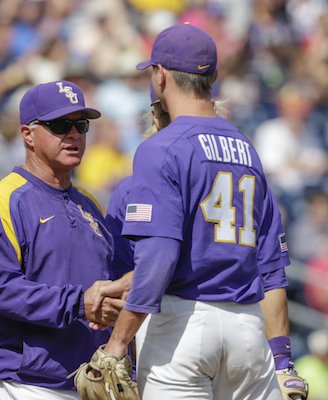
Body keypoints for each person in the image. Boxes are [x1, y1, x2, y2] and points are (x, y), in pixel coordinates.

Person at [94, 23, 295, 399]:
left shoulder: (162, 147)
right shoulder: (247, 149)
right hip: (247, 329)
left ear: (161, 75)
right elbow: (272, 268)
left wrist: (118, 343)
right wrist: (282, 357)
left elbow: (159, 256)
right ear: (213, 77)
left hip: (184, 325)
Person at [0, 79, 124, 399]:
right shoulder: (5, 199)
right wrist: (79, 304)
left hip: (90, 377)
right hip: (30, 379)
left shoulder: (90, 203)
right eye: (59, 125)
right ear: (27, 133)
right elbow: (1, 291)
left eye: (80, 125)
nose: (73, 134)